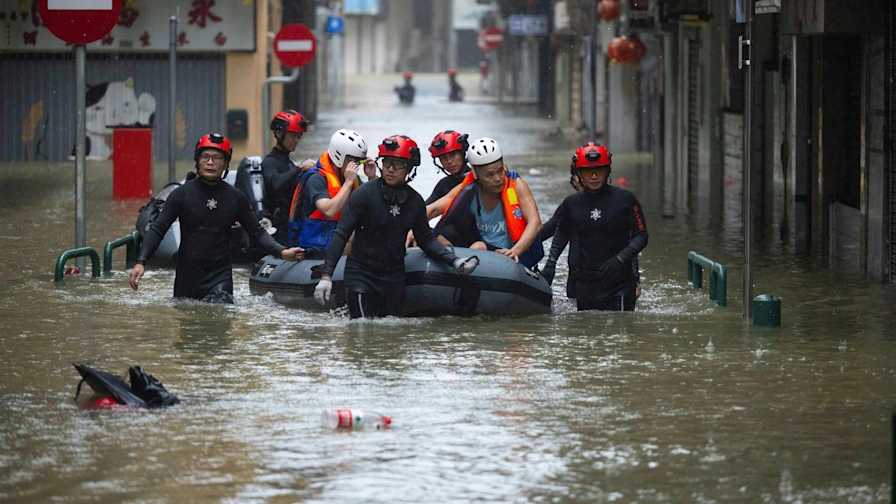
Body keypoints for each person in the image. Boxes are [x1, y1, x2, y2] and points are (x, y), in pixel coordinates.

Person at [313, 135, 479, 318]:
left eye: (398, 164)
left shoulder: (415, 202)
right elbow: (341, 234)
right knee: (360, 330)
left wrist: (454, 261)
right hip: (361, 274)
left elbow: (426, 239)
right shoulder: (363, 195)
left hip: (393, 278)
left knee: (391, 333)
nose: (390, 169)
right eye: (386, 163)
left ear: (409, 168)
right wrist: (326, 276)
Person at [129, 133, 305, 303]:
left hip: (219, 276)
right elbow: (158, 229)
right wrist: (140, 262)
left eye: (217, 158)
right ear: (197, 161)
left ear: (226, 163)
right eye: (205, 157)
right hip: (186, 277)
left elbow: (257, 233)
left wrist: (282, 252)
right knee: (189, 327)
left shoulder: (236, 198)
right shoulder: (180, 195)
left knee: (219, 319)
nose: (210, 163)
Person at [542, 142, 648, 311]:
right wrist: (551, 263)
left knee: (620, 333)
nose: (593, 176)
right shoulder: (572, 204)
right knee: (588, 332)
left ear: (607, 171)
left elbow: (641, 235)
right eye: (587, 171)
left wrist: (621, 260)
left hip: (619, 281)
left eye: (599, 170)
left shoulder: (625, 200)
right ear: (579, 174)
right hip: (586, 285)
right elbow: (560, 232)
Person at [426, 137, 544, 269]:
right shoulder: (469, 188)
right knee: (441, 237)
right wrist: (415, 229)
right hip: (484, 249)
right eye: (490, 175)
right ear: (476, 175)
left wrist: (516, 250)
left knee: (478, 247)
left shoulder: (517, 185)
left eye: (500, 171)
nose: (498, 179)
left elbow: (535, 222)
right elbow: (434, 209)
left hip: (512, 252)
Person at [286, 128, 375, 257]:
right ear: (339, 157)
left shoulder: (351, 178)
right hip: (313, 248)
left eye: (359, 161)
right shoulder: (316, 179)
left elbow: (374, 206)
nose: (357, 166)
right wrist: (348, 183)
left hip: (337, 243)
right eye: (354, 161)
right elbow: (329, 211)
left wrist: (372, 178)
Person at [261, 109, 315, 245]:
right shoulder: (270, 161)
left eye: (299, 136)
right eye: (293, 135)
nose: (296, 140)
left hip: (293, 226)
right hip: (278, 231)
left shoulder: (288, 161)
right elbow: (275, 185)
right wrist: (300, 168)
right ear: (279, 133)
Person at [424, 130, 471, 205]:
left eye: (453, 155)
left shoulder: (478, 179)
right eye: (443, 158)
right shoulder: (444, 185)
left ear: (462, 153)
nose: (449, 161)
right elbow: (425, 209)